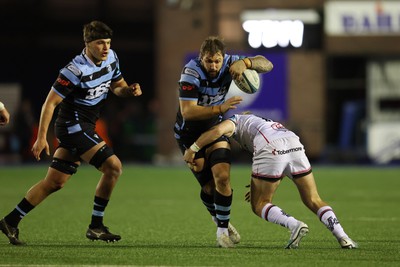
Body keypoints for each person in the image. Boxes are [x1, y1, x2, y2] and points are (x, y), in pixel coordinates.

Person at [0, 21, 142, 245]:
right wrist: (40, 138)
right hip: (72, 126)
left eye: (108, 43)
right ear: (86, 44)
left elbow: (117, 86)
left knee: (54, 182)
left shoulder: (112, 57)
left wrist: (128, 91)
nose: (105, 48)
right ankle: (96, 226)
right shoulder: (74, 70)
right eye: (99, 43)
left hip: (86, 125)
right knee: (113, 167)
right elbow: (50, 103)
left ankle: (11, 220)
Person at [183, 113, 359, 249]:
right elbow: (280, 163)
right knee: (313, 199)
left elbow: (216, 132)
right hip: (293, 142)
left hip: (270, 146)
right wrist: (259, 184)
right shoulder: (263, 122)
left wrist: (193, 148)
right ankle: (343, 237)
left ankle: (294, 225)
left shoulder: (236, 120)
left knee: (259, 204)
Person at [174, 36, 273, 248]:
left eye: (217, 61)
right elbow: (188, 112)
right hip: (188, 133)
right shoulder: (191, 72)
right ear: (201, 58)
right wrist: (221, 108)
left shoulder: (231, 62)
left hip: (214, 128)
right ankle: (219, 220)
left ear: (223, 58)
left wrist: (246, 63)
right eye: (209, 61)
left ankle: (222, 231)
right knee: (209, 187)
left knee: (223, 178)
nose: (213, 66)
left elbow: (267, 64)